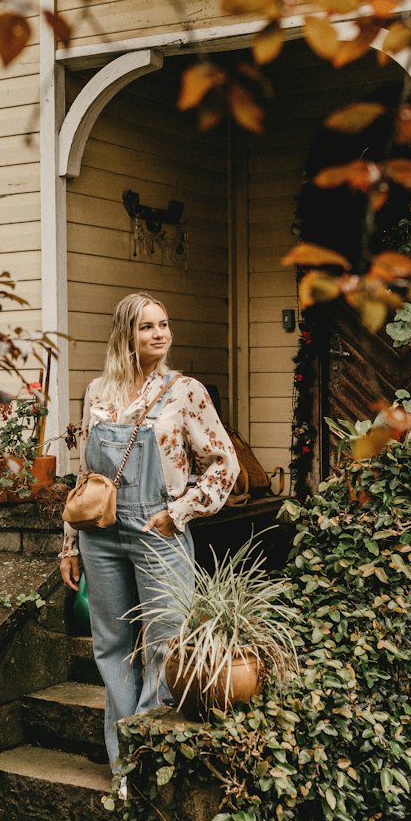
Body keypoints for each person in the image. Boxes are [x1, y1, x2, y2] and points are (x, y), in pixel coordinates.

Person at [60, 293, 239, 770]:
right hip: (100, 533)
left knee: (164, 643)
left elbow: (224, 464)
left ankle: (147, 758)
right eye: (147, 327)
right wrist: (70, 542)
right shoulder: (98, 392)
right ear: (126, 335)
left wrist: (179, 513)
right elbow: (86, 474)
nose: (160, 334)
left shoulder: (185, 391)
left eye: (164, 324)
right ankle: (122, 762)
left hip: (158, 528)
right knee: (112, 645)